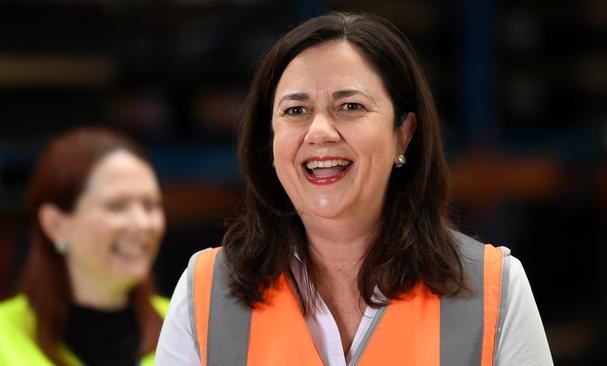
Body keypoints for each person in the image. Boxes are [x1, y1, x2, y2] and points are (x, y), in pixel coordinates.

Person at [155, 12, 553, 366]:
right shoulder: (204, 293)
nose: (320, 131)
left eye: (350, 107)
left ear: (403, 133)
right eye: (296, 111)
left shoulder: (494, 289)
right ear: (269, 141)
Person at [0, 127, 168, 366]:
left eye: (151, 205)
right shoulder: (4, 338)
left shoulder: (191, 326)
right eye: (117, 206)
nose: (142, 223)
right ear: (55, 224)